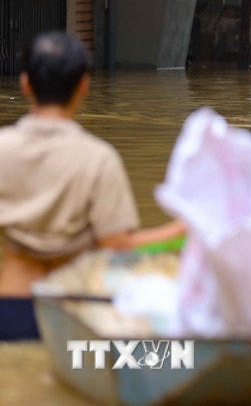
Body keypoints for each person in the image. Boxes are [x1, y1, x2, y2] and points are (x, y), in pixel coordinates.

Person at [0, 32, 185, 313]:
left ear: (25, 84)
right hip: (71, 309)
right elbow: (118, 248)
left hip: (11, 303)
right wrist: (184, 228)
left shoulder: (4, 148)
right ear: (84, 86)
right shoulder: (98, 159)